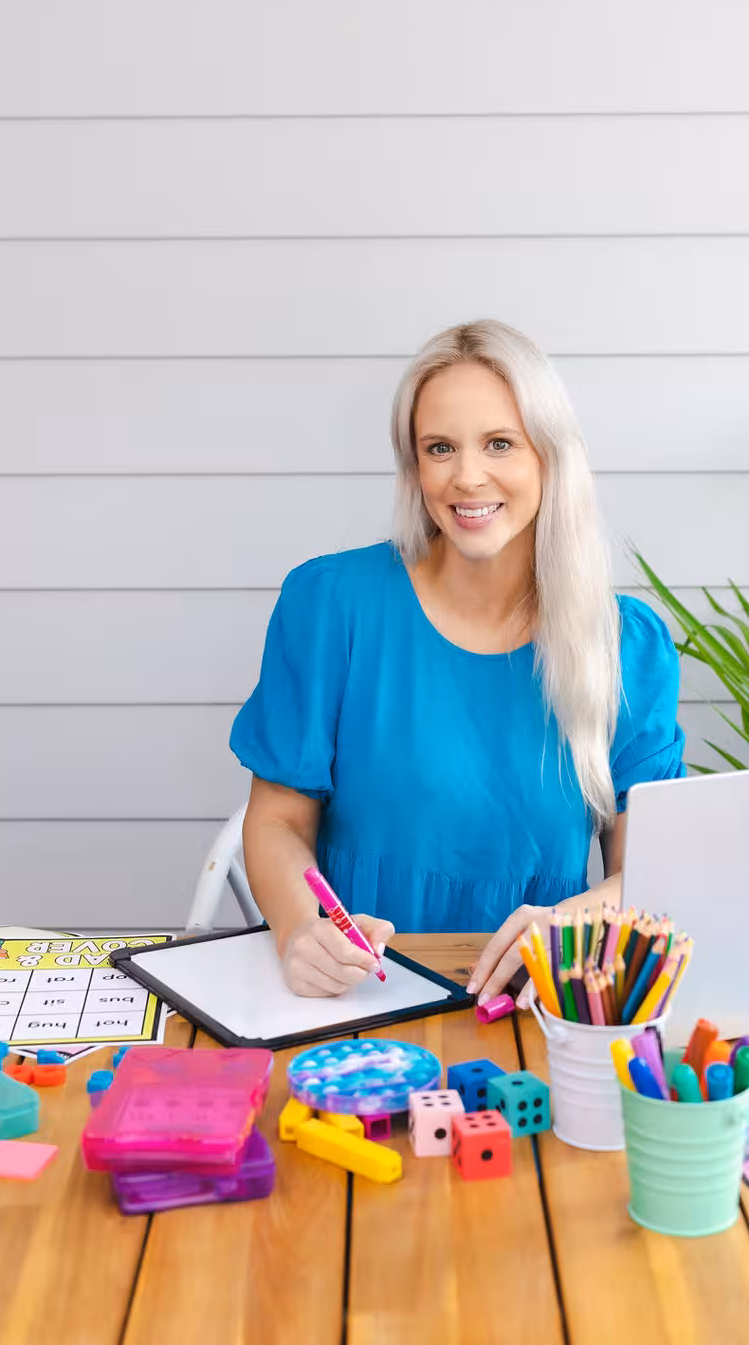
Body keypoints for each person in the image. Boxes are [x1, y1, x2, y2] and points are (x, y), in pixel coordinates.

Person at [230, 321, 684, 1003]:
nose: (467, 477)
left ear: (549, 456)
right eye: (439, 448)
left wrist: (569, 927)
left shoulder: (628, 645)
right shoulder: (330, 605)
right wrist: (302, 931)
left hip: (539, 1001)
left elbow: (651, 870)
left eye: (499, 443)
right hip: (355, 997)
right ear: (415, 466)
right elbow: (276, 823)